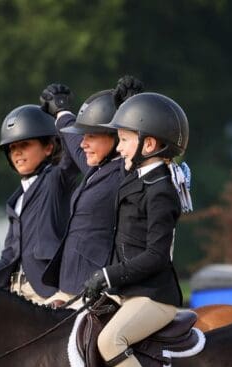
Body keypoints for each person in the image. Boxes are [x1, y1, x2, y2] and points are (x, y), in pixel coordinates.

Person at [81, 92, 191, 367]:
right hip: (126, 291)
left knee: (112, 340)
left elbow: (156, 257)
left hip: (154, 296)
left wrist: (108, 276)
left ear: (150, 143)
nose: (119, 147)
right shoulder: (134, 179)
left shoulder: (160, 191)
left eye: (125, 139)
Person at [39, 76, 143, 306]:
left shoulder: (126, 173)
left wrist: (133, 111)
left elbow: (140, 154)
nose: (84, 144)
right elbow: (75, 142)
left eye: (92, 136)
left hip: (97, 294)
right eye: (84, 136)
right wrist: (62, 112)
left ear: (118, 137)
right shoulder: (97, 165)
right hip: (69, 289)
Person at [0, 104, 79, 304]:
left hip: (47, 293)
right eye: (12, 147)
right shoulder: (16, 200)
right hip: (14, 291)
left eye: (25, 145)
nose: (17, 153)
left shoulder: (55, 179)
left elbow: (73, 157)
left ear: (49, 147)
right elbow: (9, 257)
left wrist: (62, 112)